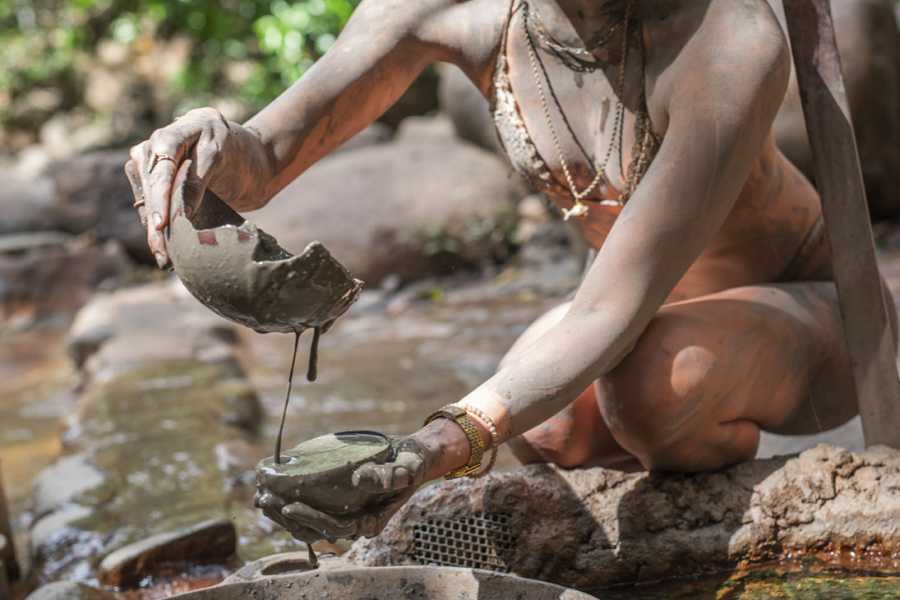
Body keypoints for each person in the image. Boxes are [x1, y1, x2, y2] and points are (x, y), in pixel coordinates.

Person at [126, 0, 879, 542]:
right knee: (547, 428)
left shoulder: (726, 38)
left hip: (808, 314)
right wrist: (208, 145)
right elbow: (260, 162)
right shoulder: (444, 10)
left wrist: (436, 447)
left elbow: (606, 313)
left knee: (650, 391)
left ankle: (709, 481)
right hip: (640, 315)